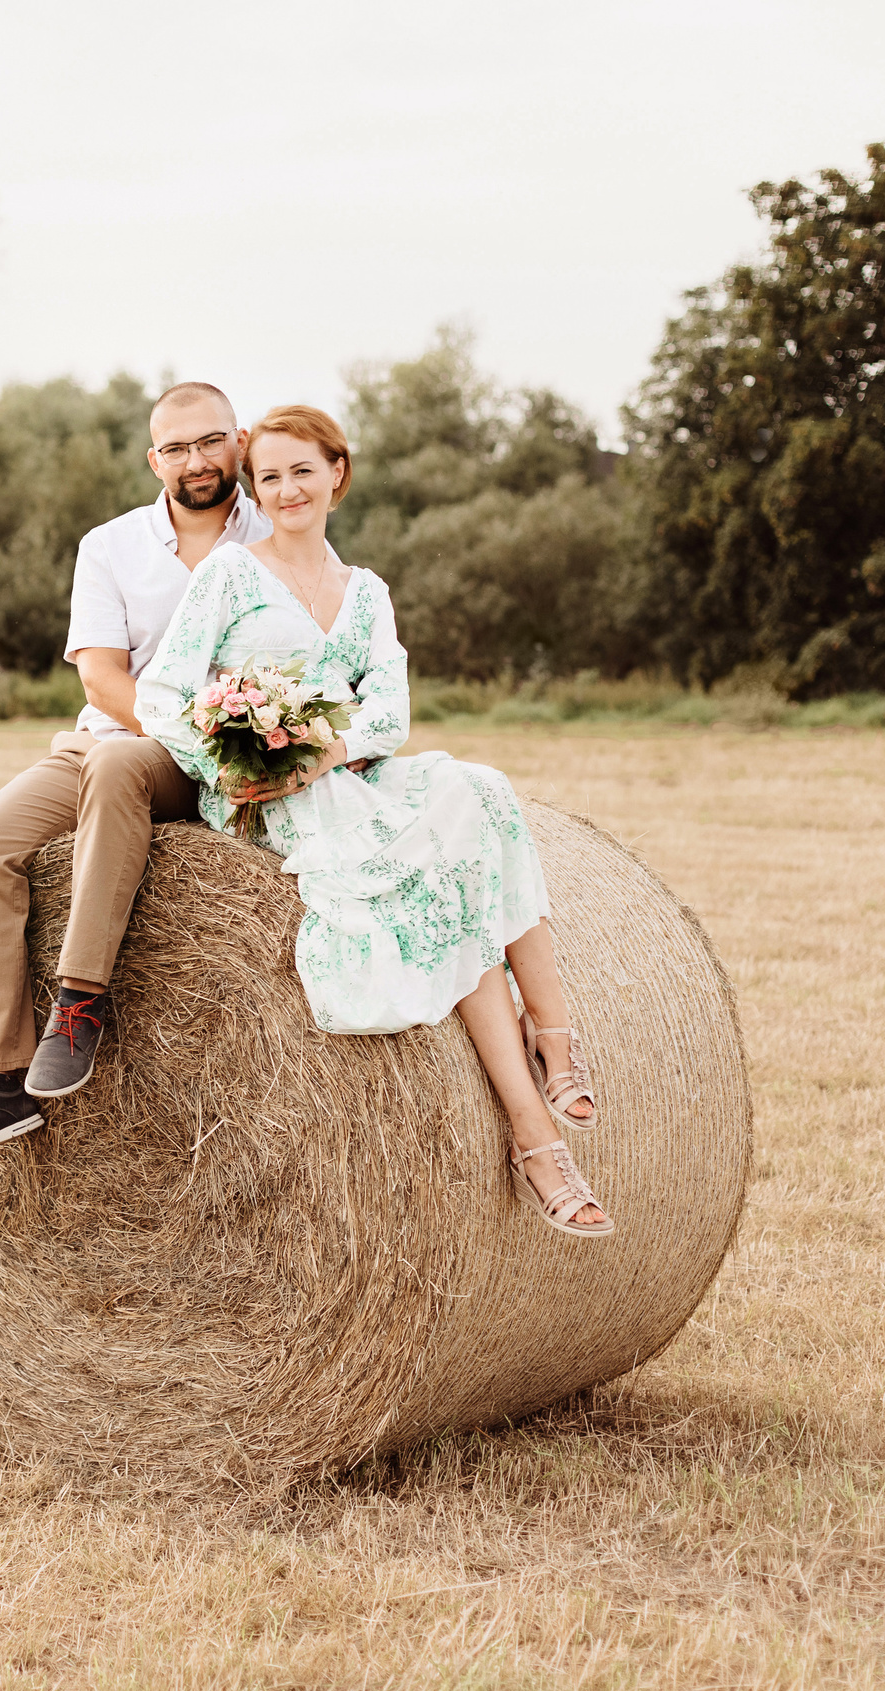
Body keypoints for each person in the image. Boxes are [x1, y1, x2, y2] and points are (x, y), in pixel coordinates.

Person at [133, 404, 612, 1237]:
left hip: (351, 772)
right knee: (446, 891)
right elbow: (158, 694)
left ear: (337, 475)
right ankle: (535, 1132)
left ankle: (556, 1033)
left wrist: (334, 746)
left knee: (484, 792)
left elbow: (391, 710)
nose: (286, 489)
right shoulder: (230, 575)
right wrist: (231, 765)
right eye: (270, 475)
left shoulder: (366, 593)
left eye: (302, 471)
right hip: (270, 800)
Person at [0, 382, 272, 1165]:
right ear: (154, 459)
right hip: (113, 737)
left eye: (210, 441)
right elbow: (103, 680)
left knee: (117, 763)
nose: (196, 461)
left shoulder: (276, 533)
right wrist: (172, 728)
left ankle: (79, 999)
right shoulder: (110, 545)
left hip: (213, 760)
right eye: (176, 448)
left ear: (239, 441)